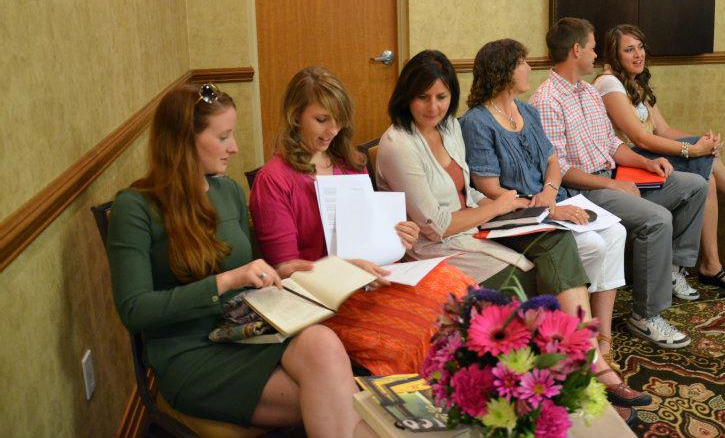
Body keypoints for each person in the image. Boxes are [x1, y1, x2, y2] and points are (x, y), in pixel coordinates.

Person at [376, 50, 648, 414]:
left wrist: (514, 206)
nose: (433, 107)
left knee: (556, 239)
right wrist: (497, 206)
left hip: (476, 225)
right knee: (526, 276)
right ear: (406, 96)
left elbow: (469, 191)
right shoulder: (398, 144)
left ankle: (586, 360)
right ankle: (568, 377)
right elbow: (435, 225)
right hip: (434, 248)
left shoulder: (450, 127)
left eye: (441, 97)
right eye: (422, 97)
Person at [107, 83, 370, 437]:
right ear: (183, 140)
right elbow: (134, 310)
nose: (234, 147)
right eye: (223, 137)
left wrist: (282, 271)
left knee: (323, 343)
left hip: (243, 331)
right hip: (190, 353)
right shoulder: (135, 207)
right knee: (339, 399)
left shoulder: (228, 190)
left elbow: (250, 269)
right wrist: (226, 282)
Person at [249, 67, 475, 375]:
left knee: (458, 287)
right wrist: (344, 268)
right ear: (295, 115)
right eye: (321, 120)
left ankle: (480, 381)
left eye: (338, 120)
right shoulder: (274, 180)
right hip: (324, 299)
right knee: (416, 332)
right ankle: (438, 390)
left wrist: (398, 234)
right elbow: (285, 270)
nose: (332, 130)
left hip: (370, 280)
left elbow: (366, 233)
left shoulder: (349, 163)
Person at [530, 17, 708, 349]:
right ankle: (646, 315)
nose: (597, 54)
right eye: (593, 47)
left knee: (694, 185)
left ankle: (672, 270)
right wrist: (612, 186)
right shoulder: (547, 100)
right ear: (576, 50)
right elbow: (560, 169)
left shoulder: (588, 91)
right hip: (583, 192)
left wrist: (646, 163)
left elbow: (612, 145)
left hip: (613, 178)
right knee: (657, 220)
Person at [460, 38, 629, 376]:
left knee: (615, 232)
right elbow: (488, 186)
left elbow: (553, 161)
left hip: (548, 203)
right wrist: (543, 209)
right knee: (592, 244)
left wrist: (550, 193)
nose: (529, 68)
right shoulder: (476, 122)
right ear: (504, 71)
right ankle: (566, 336)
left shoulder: (527, 111)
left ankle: (602, 338)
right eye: (522, 62)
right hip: (511, 215)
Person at [595, 24, 725, 293]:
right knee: (704, 166)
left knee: (708, 175)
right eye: (629, 50)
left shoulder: (637, 80)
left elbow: (663, 130)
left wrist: (702, 143)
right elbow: (640, 139)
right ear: (614, 55)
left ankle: (709, 262)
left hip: (647, 155)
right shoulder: (609, 83)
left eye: (640, 47)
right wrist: (692, 150)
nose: (638, 54)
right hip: (627, 163)